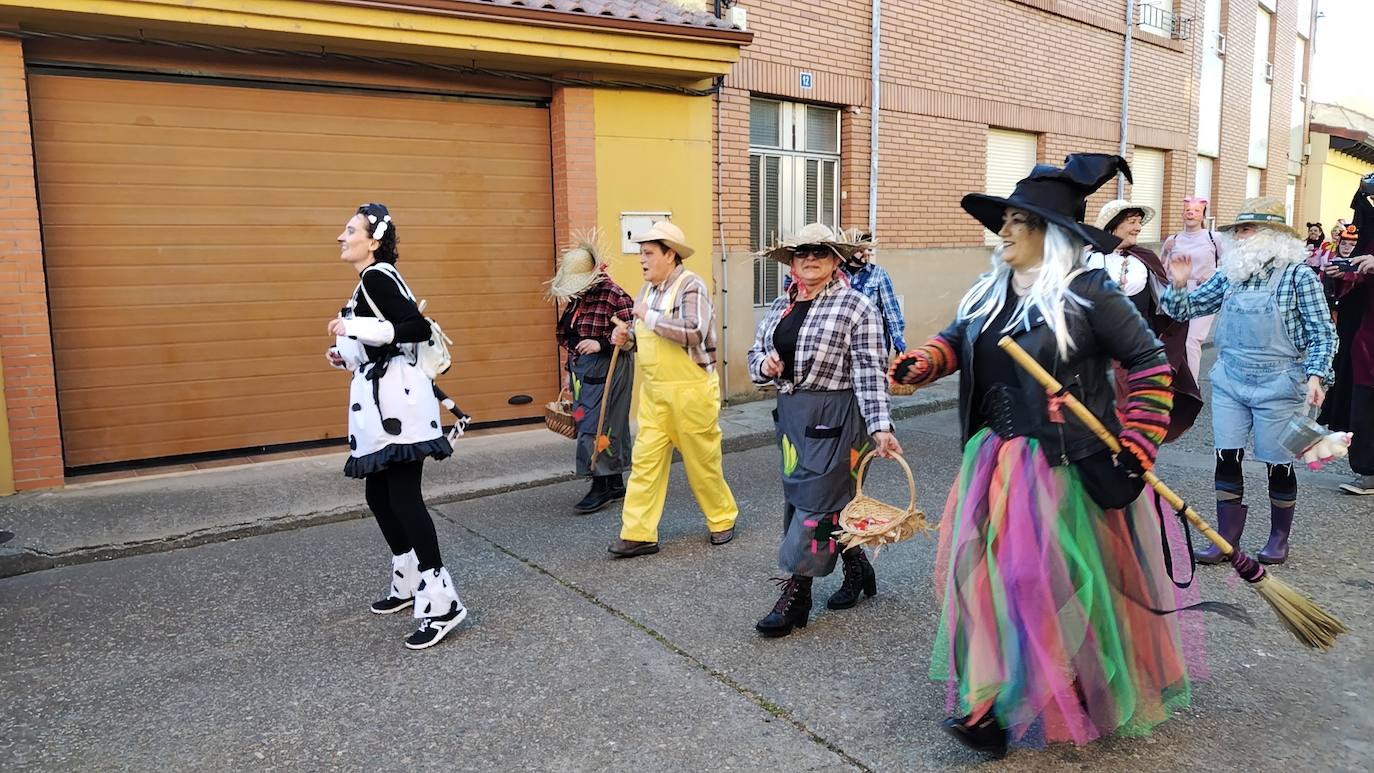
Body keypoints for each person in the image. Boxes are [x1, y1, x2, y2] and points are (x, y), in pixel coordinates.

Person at [892, 154, 1192, 756]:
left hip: (1065, 465)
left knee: (1050, 582)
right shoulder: (991, 291)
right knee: (984, 582)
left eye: (1017, 223)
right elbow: (958, 340)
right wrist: (925, 362)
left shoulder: (1091, 293)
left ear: (1050, 234)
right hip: (995, 460)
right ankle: (987, 710)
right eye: (1003, 221)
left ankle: (1081, 681)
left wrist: (1139, 439)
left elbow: (1151, 365)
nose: (1002, 232)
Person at [746, 223, 902, 638]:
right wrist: (765, 366)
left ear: (836, 261)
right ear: (792, 263)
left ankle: (797, 594)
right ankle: (857, 566)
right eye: (801, 253)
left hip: (838, 415)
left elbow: (870, 371)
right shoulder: (781, 306)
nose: (810, 258)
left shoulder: (856, 307)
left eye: (820, 251)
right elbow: (754, 354)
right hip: (793, 417)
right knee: (804, 498)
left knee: (816, 506)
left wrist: (881, 426)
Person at [1162, 198, 1337, 565]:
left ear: (1272, 236)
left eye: (1246, 229)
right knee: (1226, 456)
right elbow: (1184, 310)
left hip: (1280, 382)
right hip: (1231, 379)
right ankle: (1227, 539)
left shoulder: (1298, 276)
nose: (1239, 237)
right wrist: (1178, 283)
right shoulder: (1230, 274)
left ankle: (1278, 537)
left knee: (1279, 462)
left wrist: (1317, 375)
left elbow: (1323, 333)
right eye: (1237, 230)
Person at [326, 203, 465, 650]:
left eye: (350, 230)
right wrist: (345, 350)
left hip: (398, 406)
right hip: (382, 405)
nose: (341, 236)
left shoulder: (376, 275)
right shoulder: (371, 280)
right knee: (379, 495)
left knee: (403, 497)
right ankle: (407, 583)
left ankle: (442, 604)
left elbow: (413, 327)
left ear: (374, 240)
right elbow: (379, 337)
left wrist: (350, 324)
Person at [607, 221, 739, 557]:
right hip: (654, 395)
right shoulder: (647, 291)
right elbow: (645, 335)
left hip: (691, 391)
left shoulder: (690, 285)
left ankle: (722, 518)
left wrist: (646, 318)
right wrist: (627, 340)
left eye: (648, 252)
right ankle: (638, 533)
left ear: (671, 254)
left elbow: (694, 330)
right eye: (641, 253)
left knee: (702, 462)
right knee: (645, 463)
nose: (642, 259)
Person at [1090, 199, 1203, 440]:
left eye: (1139, 222)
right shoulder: (1084, 259)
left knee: (1132, 418)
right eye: (1132, 222)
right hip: (1092, 355)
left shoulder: (1143, 261)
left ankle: (1131, 466)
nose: (1138, 228)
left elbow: (1171, 309)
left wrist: (1180, 284)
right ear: (1112, 225)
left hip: (1132, 354)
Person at [547, 234, 635, 514]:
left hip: (609, 366)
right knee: (591, 419)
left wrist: (603, 343)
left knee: (598, 426)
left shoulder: (615, 295)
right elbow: (571, 337)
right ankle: (614, 482)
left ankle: (599, 486)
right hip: (583, 371)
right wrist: (568, 372)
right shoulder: (579, 298)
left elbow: (636, 336)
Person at [783, 229, 907, 355]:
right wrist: (796, 284)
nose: (867, 254)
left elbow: (891, 311)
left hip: (870, 341)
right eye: (862, 250)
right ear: (850, 253)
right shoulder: (834, 274)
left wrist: (898, 339)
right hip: (836, 346)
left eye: (869, 249)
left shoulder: (878, 274)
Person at [1160, 196, 1224, 379]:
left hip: (1203, 294)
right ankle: (1175, 383)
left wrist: (1213, 276)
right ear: (1182, 214)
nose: (1191, 214)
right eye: (1188, 210)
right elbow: (1161, 267)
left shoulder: (1213, 238)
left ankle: (1192, 385)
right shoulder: (1173, 240)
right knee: (1173, 340)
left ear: (1203, 216)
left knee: (1191, 340)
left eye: (1196, 211)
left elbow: (1230, 264)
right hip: (1177, 293)